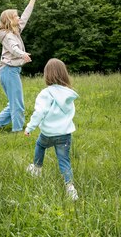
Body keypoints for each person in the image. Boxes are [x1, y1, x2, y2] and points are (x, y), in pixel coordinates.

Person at [0, 0, 40, 136]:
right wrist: (23, 54)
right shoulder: (8, 36)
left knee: (14, 103)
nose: (18, 17)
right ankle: (17, 132)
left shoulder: (15, 31)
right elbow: (14, 49)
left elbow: (26, 16)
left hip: (10, 71)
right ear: (10, 20)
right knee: (18, 105)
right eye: (16, 16)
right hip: (8, 70)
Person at [24, 58, 80, 200]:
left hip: (48, 133)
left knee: (40, 145)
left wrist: (30, 127)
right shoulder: (69, 94)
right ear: (64, 74)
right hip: (64, 134)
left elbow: (39, 112)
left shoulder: (46, 93)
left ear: (47, 75)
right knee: (64, 160)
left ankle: (37, 169)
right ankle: (70, 188)